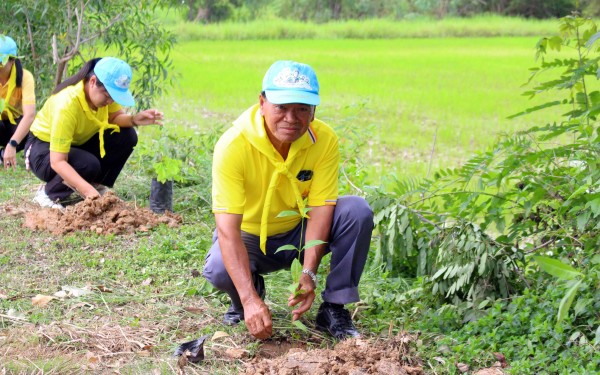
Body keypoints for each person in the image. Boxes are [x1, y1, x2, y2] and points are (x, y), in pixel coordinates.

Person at [204, 60, 374, 340]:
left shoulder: (324, 140)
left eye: (302, 109)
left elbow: (321, 208)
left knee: (356, 211)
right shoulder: (233, 146)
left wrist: (309, 273)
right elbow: (227, 229)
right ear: (262, 103)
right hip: (250, 236)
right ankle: (248, 298)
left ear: (314, 110)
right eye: (281, 107)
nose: (291, 118)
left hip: (298, 231)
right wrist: (248, 300)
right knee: (219, 267)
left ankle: (333, 308)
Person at [26, 57, 164, 209]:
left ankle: (96, 184)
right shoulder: (66, 105)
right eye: (107, 96)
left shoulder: (105, 95)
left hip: (75, 143)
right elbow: (57, 161)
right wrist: (87, 191)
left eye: (114, 97)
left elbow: (114, 118)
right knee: (87, 164)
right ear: (92, 82)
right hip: (43, 151)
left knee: (127, 136)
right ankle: (48, 194)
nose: (110, 102)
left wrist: (134, 119)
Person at [0, 35, 36, 170]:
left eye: (0, 64)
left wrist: (13, 144)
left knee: (33, 131)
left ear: (12, 61)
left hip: (16, 125)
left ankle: (6, 153)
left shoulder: (25, 77)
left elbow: (30, 115)